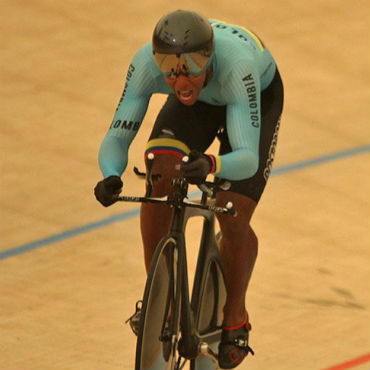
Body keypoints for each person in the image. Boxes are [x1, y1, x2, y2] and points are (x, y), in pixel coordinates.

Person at [94, 9, 283, 369]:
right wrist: (110, 174)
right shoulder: (148, 66)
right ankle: (158, 297)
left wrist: (212, 164)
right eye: (169, 66)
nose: (180, 78)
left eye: (192, 65)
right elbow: (118, 134)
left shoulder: (236, 67)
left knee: (232, 211)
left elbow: (246, 158)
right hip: (200, 105)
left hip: (250, 96)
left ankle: (235, 314)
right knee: (158, 177)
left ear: (209, 56)